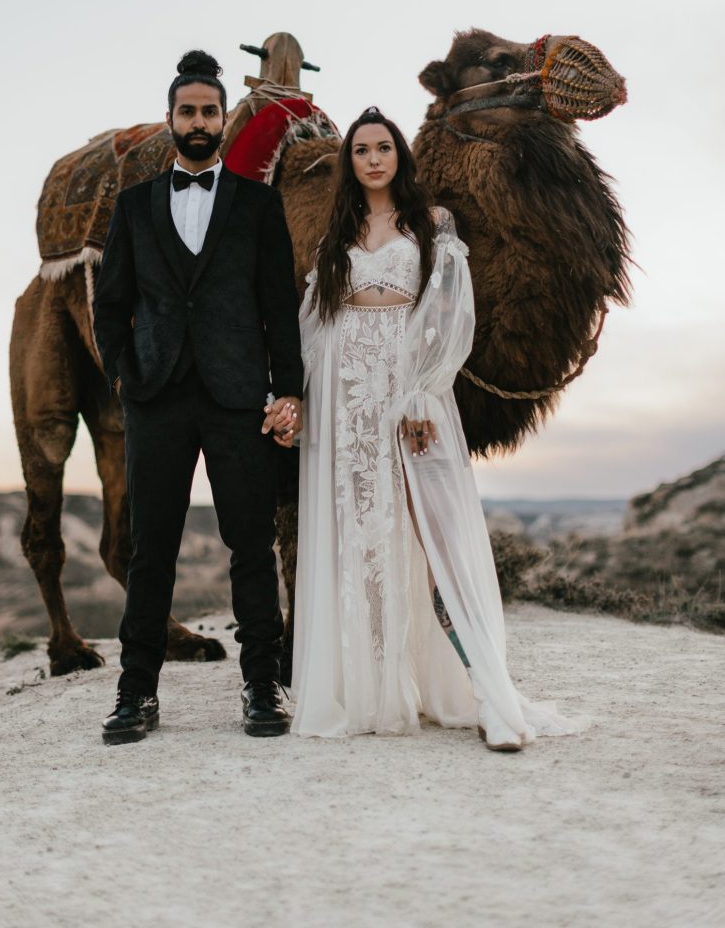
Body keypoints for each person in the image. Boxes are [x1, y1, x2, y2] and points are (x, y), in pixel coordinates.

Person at [282, 106, 582, 749]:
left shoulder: (434, 223)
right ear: (349, 161)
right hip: (346, 392)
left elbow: (452, 309)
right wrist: (302, 397)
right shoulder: (336, 235)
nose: (372, 158)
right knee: (360, 533)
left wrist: (422, 390)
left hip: (412, 390)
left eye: (382, 147)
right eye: (360, 149)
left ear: (399, 155)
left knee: (434, 531)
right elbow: (314, 321)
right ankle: (372, 688)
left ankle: (487, 693)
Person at [93, 50, 304, 745]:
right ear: (170, 120)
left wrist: (288, 389)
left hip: (237, 396)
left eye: (209, 111)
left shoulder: (258, 206)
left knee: (249, 544)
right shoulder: (133, 208)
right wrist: (125, 375)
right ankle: (135, 695)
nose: (198, 121)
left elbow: (279, 306)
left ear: (223, 119)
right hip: (155, 399)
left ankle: (261, 689)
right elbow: (110, 303)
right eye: (187, 111)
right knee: (151, 549)